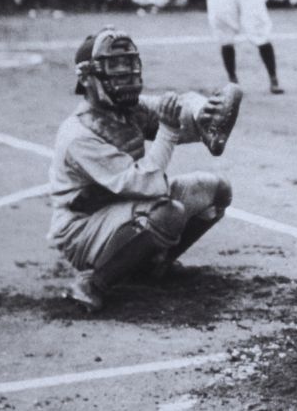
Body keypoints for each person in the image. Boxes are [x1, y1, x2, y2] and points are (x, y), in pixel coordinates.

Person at [48, 26, 243, 312]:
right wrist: (167, 130)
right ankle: (93, 283)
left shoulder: (126, 109)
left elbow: (177, 109)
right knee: (168, 212)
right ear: (88, 79)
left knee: (217, 190)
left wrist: (203, 110)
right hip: (82, 229)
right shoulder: (79, 134)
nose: (125, 76)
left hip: (122, 207)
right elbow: (148, 183)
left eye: (128, 66)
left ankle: (153, 265)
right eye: (114, 68)